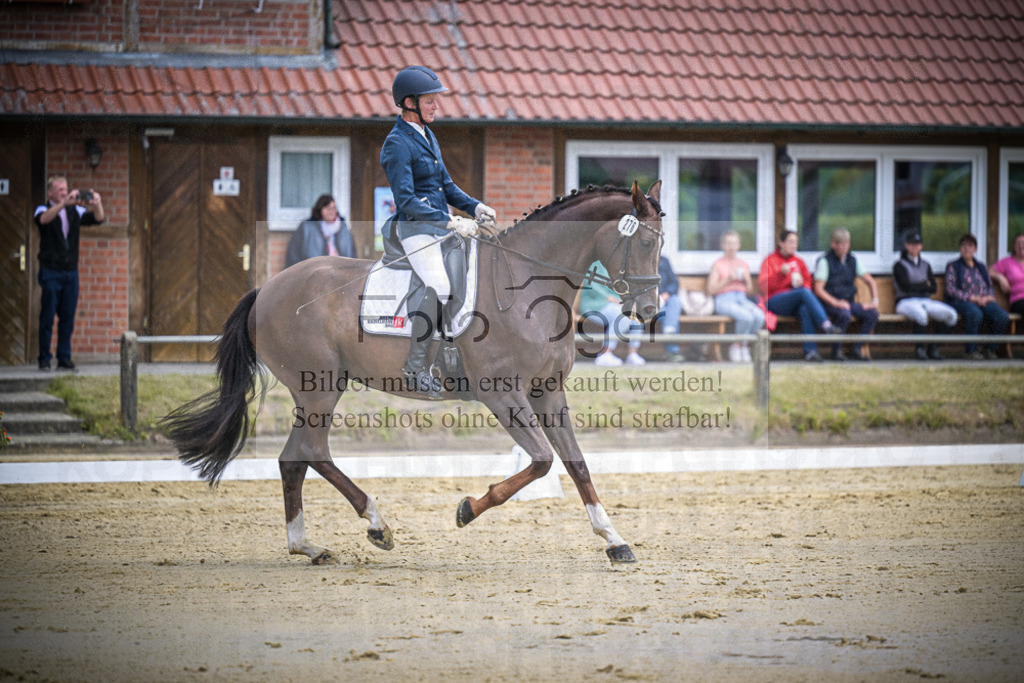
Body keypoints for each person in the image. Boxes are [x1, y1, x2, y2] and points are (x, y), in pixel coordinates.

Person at [380, 65, 496, 394]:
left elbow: (446, 186)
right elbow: (406, 199)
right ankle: (415, 368)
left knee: (472, 277)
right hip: (415, 231)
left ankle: (454, 354)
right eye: (430, 101)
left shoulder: (428, 135)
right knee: (440, 285)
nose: (435, 106)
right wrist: (451, 221)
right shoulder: (397, 143)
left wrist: (475, 206)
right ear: (408, 102)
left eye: (435, 100)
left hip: (441, 228)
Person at [34, 175, 105, 371]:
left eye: (66, 190)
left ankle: (64, 358)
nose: (65, 193)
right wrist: (63, 204)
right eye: (60, 190)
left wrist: (97, 203)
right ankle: (44, 359)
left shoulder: (76, 210)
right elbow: (44, 219)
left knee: (68, 317)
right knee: (47, 317)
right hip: (50, 272)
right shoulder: (43, 208)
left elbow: (98, 219)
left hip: (71, 273)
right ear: (50, 193)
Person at [758, 230, 837, 362]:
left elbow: (808, 282)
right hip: (774, 301)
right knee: (803, 293)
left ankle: (811, 351)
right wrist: (780, 274)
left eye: (795, 242)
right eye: (790, 242)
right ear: (781, 243)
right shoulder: (770, 260)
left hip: (794, 302)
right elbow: (764, 286)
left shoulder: (799, 261)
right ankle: (826, 324)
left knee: (804, 309)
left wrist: (802, 284)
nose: (794, 245)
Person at [812, 228, 879, 361]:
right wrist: (836, 303)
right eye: (841, 243)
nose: (845, 246)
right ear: (833, 244)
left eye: (847, 243)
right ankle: (836, 351)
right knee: (845, 315)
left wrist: (874, 301)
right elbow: (818, 289)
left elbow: (870, 281)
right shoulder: (825, 261)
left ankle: (857, 348)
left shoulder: (853, 260)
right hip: (830, 303)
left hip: (849, 302)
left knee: (873, 314)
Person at [892, 232, 957, 361]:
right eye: (911, 244)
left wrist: (919, 286)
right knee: (921, 315)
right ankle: (920, 350)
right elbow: (906, 287)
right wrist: (923, 284)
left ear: (921, 246)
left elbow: (933, 287)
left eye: (917, 244)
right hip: (905, 302)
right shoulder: (899, 265)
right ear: (906, 245)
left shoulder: (926, 264)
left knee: (951, 315)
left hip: (925, 300)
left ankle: (933, 348)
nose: (914, 247)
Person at [945, 233, 1009, 360]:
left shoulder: (981, 267)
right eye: (963, 246)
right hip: (961, 301)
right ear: (960, 248)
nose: (966, 249)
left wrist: (987, 298)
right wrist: (971, 298)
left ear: (975, 249)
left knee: (1002, 316)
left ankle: (990, 349)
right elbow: (950, 289)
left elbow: (990, 287)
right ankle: (971, 351)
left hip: (983, 301)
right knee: (975, 313)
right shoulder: (953, 266)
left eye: (970, 246)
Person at [707, 229, 764, 362]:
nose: (731, 247)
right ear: (723, 245)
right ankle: (737, 346)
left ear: (738, 245)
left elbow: (749, 291)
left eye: (734, 243)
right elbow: (710, 290)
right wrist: (727, 280)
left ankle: (743, 346)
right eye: (728, 243)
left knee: (759, 316)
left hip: (741, 298)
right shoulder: (718, 264)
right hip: (723, 300)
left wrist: (747, 280)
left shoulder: (743, 264)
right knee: (746, 317)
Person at [580, 261, 645, 367]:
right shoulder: (595, 263)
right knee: (623, 316)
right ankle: (605, 354)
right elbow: (591, 283)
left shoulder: (619, 265)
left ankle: (632, 354)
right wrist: (609, 298)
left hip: (614, 304)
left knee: (637, 316)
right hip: (594, 304)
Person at [284, 194, 356, 267]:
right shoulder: (307, 227)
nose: (331, 211)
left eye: (333, 208)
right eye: (327, 208)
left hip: (340, 271)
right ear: (319, 210)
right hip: (314, 272)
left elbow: (352, 252)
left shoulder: (343, 227)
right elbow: (293, 252)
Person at [657, 255, 684, 362]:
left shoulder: (664, 260)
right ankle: (673, 350)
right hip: (647, 304)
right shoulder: (636, 259)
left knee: (675, 300)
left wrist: (666, 294)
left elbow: (674, 282)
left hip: (664, 302)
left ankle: (669, 330)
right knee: (671, 317)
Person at [990, 233, 1024, 316]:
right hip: (1018, 300)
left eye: (1023, 243)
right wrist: (1000, 277)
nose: (1020, 246)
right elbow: (989, 271)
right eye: (1018, 243)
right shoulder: (1007, 262)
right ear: (1014, 246)